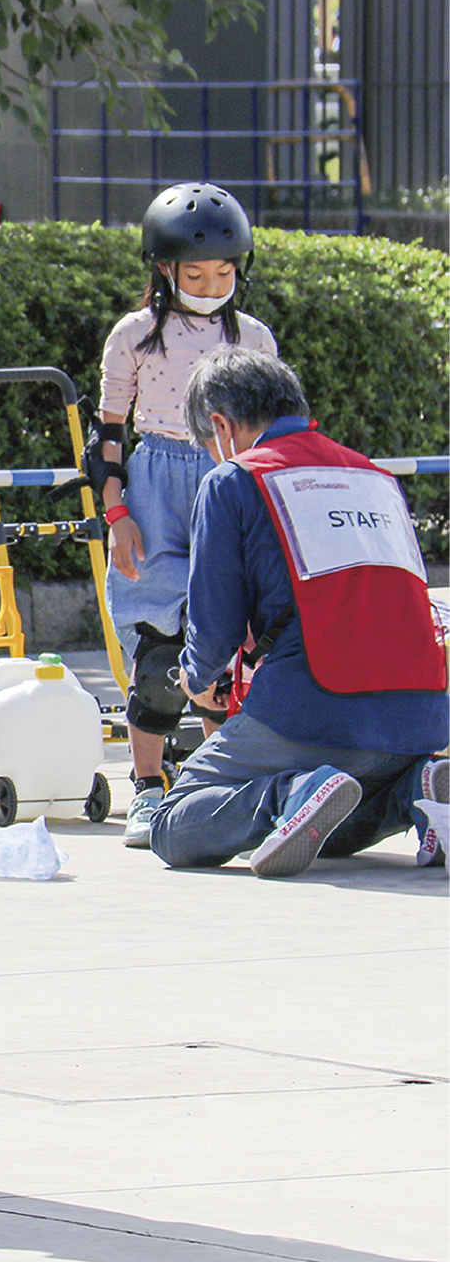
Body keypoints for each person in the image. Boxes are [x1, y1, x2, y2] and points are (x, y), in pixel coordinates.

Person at [147, 346, 447, 876]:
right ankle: (420, 796)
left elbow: (214, 622)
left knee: (171, 824)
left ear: (221, 426)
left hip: (310, 709)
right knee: (332, 827)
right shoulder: (375, 478)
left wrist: (198, 678)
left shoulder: (234, 480)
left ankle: (290, 791)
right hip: (419, 718)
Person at [88, 183, 278, 847]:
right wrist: (116, 516)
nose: (208, 284)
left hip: (228, 478)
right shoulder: (134, 337)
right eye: (194, 273)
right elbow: (107, 435)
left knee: (228, 643)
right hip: (154, 484)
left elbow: (271, 434)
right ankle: (146, 789)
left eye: (222, 272)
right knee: (158, 649)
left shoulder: (252, 337)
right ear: (164, 269)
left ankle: (221, 786)